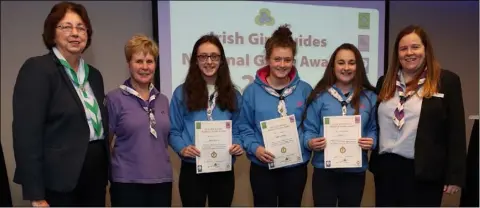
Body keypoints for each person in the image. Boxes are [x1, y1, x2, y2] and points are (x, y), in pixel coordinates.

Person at [12, 2, 108, 206]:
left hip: (94, 178)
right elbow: (26, 136)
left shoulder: (95, 76)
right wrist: (35, 194)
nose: (75, 33)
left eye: (81, 28)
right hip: (58, 182)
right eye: (66, 27)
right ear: (52, 33)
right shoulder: (38, 69)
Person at [369, 24, 467, 207]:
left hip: (424, 172)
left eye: (415, 47)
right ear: (397, 54)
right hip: (386, 170)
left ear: (426, 49)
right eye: (403, 48)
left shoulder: (446, 81)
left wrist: (455, 175)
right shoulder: (385, 82)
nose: (409, 53)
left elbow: (456, 132)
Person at [239, 24, 312, 207]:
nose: (282, 65)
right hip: (263, 168)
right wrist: (256, 148)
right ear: (267, 59)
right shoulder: (251, 92)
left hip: (295, 168)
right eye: (277, 59)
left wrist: (301, 143)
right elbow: (244, 127)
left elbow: (310, 126)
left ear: (293, 60)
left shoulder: (305, 90)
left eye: (287, 60)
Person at [169, 33, 244, 207]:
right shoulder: (182, 93)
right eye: (203, 56)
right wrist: (182, 148)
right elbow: (173, 130)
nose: (209, 61)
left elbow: (239, 129)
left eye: (214, 56)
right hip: (192, 169)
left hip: (223, 168)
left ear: (221, 60)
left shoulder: (234, 95)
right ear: (196, 60)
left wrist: (238, 144)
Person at [301, 43, 377, 207]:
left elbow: (374, 129)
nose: (346, 67)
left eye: (351, 62)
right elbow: (309, 130)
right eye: (341, 62)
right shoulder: (319, 96)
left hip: (355, 171)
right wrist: (310, 142)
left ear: (358, 66)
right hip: (324, 171)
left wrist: (372, 140)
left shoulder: (370, 97)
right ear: (333, 66)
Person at [105, 34, 172, 207]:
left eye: (150, 61)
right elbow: (106, 142)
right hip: (127, 182)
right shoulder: (114, 98)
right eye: (139, 61)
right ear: (129, 64)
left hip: (161, 181)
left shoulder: (163, 99)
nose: (145, 67)